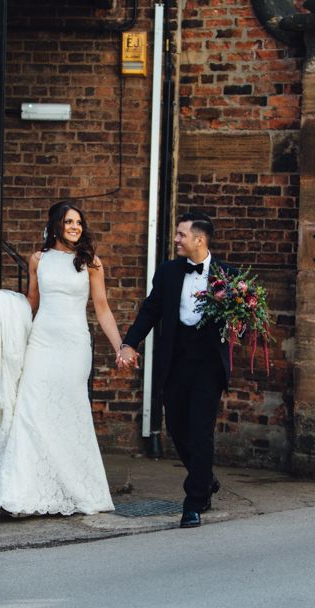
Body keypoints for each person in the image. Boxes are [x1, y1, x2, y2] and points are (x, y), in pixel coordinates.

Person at [0, 201, 124, 517]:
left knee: (69, 413)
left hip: (74, 346)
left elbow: (102, 309)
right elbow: (31, 303)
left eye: (79, 222)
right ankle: (20, 495)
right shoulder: (38, 260)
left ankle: (75, 488)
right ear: (57, 225)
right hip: (42, 342)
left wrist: (119, 346)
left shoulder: (91, 263)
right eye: (69, 222)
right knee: (29, 411)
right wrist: (3, 313)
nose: (75, 227)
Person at [118, 212, 232, 528]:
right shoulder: (168, 272)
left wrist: (240, 318)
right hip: (176, 362)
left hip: (208, 365)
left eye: (182, 234)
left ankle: (194, 503)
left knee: (201, 430)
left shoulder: (228, 274)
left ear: (200, 239)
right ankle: (205, 477)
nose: (177, 239)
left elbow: (241, 323)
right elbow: (151, 310)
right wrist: (130, 343)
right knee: (178, 430)